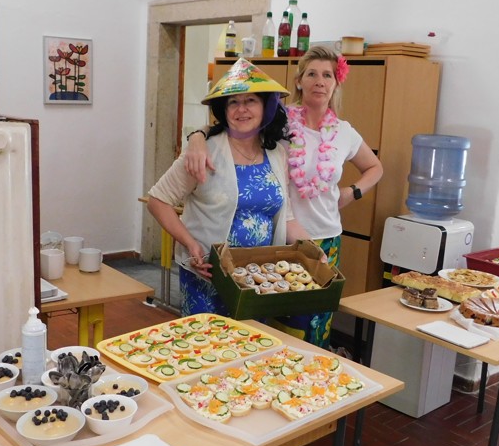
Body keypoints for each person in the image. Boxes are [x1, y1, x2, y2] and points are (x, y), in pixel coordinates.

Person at [184, 45, 383, 347]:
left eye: (327, 75)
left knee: (315, 322)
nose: (319, 81)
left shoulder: (344, 132)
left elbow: (375, 167)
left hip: (325, 237)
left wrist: (351, 192)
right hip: (280, 236)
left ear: (336, 83)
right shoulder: (280, 122)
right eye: (312, 74)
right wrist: (196, 138)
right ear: (299, 81)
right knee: (275, 320)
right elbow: (231, 125)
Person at [147, 58, 310, 317]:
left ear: (265, 106)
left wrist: (311, 249)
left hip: (258, 279)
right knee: (207, 341)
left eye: (250, 101)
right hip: (209, 277)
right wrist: (190, 244)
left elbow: (286, 216)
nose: (241, 109)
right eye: (233, 102)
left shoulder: (276, 153)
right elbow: (158, 200)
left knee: (253, 340)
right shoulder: (203, 152)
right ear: (224, 109)